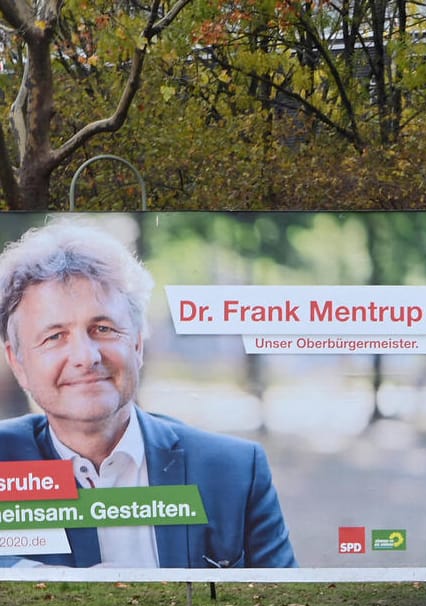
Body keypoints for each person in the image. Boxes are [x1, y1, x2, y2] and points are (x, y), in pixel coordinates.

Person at [0, 220, 296, 568]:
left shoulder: (234, 471)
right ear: (17, 362)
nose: (86, 357)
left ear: (137, 343)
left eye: (103, 328)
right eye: (54, 336)